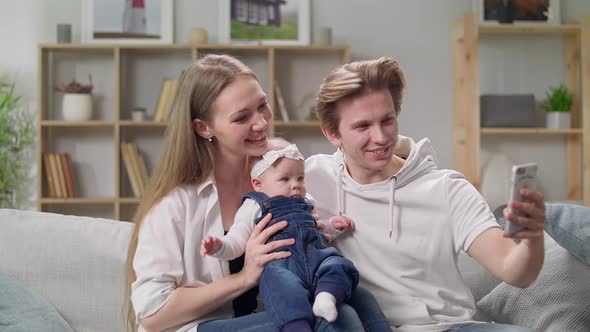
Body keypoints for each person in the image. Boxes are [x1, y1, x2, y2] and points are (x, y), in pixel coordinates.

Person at [124, 54, 377, 332]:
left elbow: (348, 158)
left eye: (262, 106)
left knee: (341, 312)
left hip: (270, 313)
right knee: (333, 320)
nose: (261, 123)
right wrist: (244, 277)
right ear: (204, 127)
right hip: (202, 326)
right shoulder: (175, 204)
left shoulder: (277, 172)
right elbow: (152, 314)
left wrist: (314, 234)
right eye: (242, 117)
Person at [305, 57, 545, 332]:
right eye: (363, 127)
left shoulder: (448, 190)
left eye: (387, 120)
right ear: (332, 134)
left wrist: (532, 238)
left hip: (450, 327)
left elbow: (515, 271)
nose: (381, 137)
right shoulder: (308, 179)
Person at [200, 142, 359, 331]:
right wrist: (219, 247)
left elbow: (318, 229)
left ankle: (327, 296)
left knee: (339, 265)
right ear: (258, 184)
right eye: (285, 179)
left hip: (317, 259)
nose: (295, 186)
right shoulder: (254, 206)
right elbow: (237, 241)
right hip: (283, 266)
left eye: (300, 178)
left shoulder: (307, 201)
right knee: (281, 288)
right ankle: (297, 326)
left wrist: (333, 226)